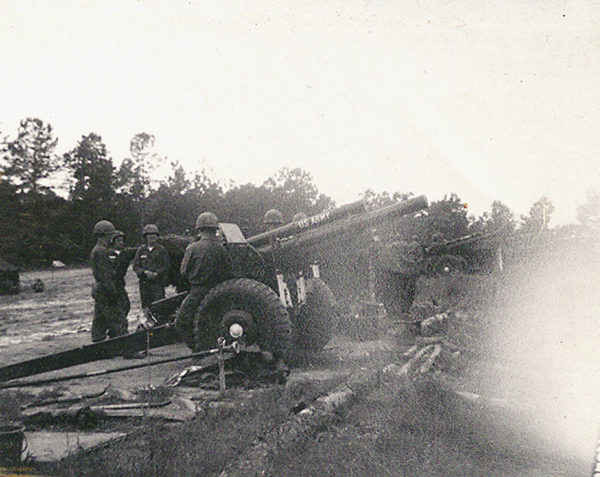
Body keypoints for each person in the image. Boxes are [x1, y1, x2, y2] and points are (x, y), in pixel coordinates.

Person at [175, 212, 232, 350]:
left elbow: (183, 271)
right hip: (218, 291)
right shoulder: (221, 248)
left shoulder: (193, 247)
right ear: (214, 230)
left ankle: (198, 350)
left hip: (198, 291)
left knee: (181, 322)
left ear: (199, 229)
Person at [90, 220, 128, 342]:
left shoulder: (97, 249)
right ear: (106, 235)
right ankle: (128, 349)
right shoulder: (101, 251)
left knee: (100, 319)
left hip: (99, 288)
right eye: (111, 235)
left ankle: (98, 344)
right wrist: (113, 292)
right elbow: (106, 275)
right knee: (119, 319)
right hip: (106, 289)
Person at [132, 224, 170, 321]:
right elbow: (136, 266)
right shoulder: (141, 250)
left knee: (159, 305)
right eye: (149, 235)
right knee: (146, 307)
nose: (152, 237)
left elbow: (166, 266)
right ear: (145, 237)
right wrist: (144, 272)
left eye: (154, 235)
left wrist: (157, 273)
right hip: (145, 283)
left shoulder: (161, 250)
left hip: (157, 283)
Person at [110, 230, 137, 324]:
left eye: (122, 240)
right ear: (113, 242)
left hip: (120, 283)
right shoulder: (108, 253)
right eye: (118, 241)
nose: (121, 242)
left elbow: (138, 250)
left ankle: (119, 323)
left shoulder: (126, 253)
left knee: (125, 305)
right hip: (109, 283)